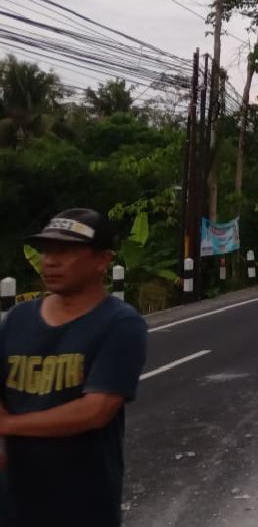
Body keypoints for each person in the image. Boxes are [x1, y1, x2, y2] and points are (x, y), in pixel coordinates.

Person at [0, 208, 148, 527]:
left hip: (81, 506)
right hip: (11, 502)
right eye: (46, 252)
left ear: (102, 261)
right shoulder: (17, 319)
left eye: (64, 252)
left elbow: (95, 410)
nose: (49, 261)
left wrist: (8, 426)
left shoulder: (120, 324)